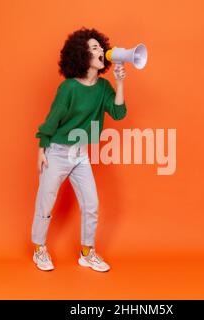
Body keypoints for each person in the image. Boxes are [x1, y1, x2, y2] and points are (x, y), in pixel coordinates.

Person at [31, 27, 127, 272]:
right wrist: (42, 147)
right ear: (82, 56)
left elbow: (118, 112)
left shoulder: (104, 87)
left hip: (81, 154)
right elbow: (53, 119)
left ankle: (87, 253)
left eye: (100, 47)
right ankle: (39, 249)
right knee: (46, 202)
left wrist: (119, 82)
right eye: (94, 48)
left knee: (91, 205)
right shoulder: (68, 88)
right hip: (57, 152)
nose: (101, 51)